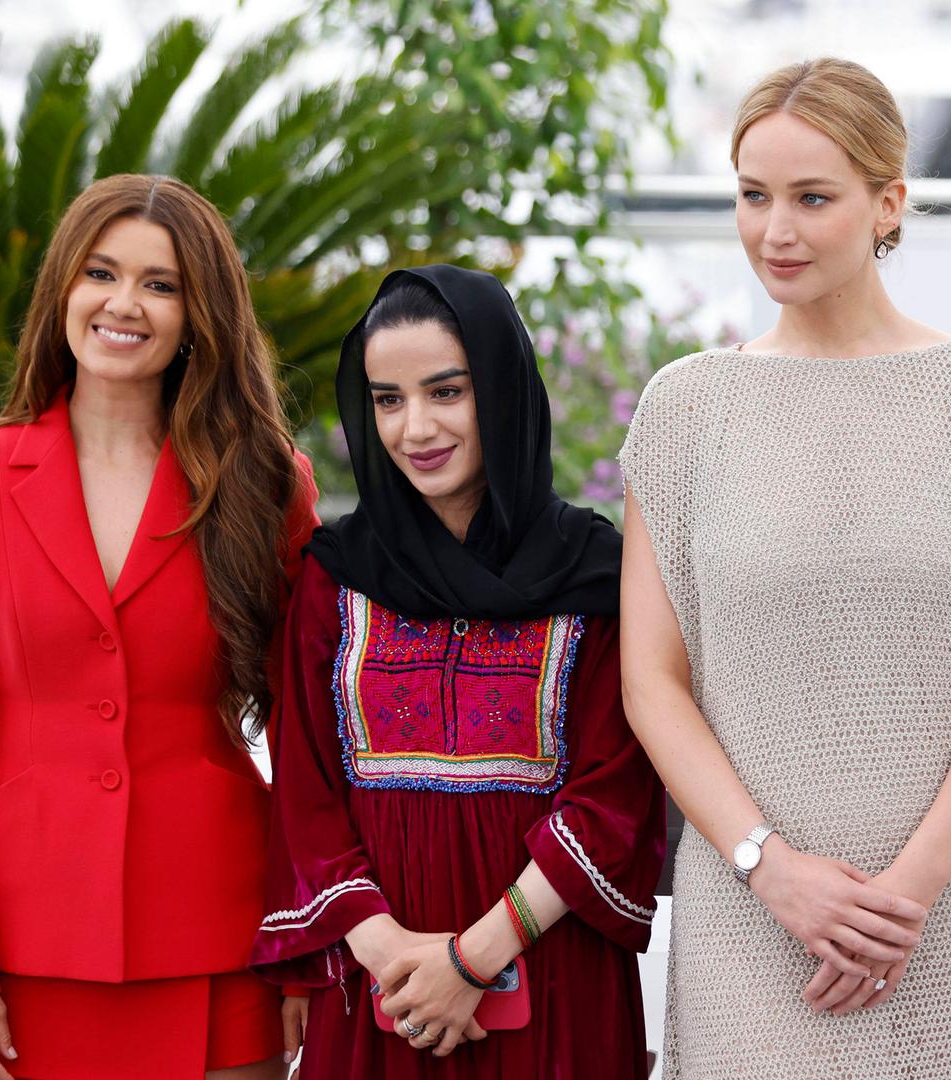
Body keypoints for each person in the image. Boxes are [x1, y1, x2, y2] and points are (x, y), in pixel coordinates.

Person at [618, 58, 951, 1079]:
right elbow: (653, 683)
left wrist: (908, 892)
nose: (776, 231)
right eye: (753, 196)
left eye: (812, 198)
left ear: (888, 203)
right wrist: (768, 871)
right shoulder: (685, 411)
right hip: (751, 927)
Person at [0, 173, 318, 1080]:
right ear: (63, 288)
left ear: (198, 313)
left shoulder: (267, 483)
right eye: (101, 272)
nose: (124, 304)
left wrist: (305, 947)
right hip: (25, 948)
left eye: (160, 285)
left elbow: (305, 737)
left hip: (225, 932)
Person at [249, 266, 663, 1078]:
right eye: (388, 399)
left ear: (503, 390)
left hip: (550, 976)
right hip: (382, 989)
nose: (415, 428)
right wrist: (396, 961)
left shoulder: (599, 579)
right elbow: (305, 792)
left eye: (447, 392)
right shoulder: (333, 578)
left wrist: (474, 963)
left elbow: (613, 795)